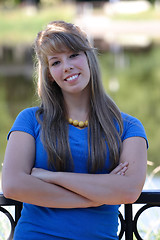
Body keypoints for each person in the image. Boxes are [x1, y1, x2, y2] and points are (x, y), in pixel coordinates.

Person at [2, 20, 148, 240]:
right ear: (49, 74)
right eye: (55, 62)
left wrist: (51, 176)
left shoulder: (128, 127)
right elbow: (13, 185)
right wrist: (98, 196)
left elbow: (128, 191)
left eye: (73, 55)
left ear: (88, 57)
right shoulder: (30, 120)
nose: (67, 66)